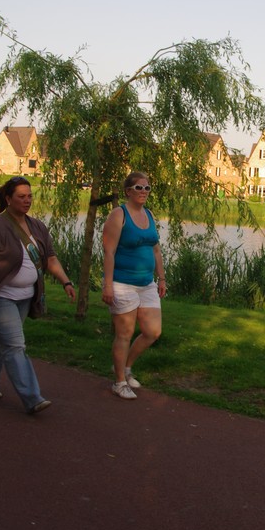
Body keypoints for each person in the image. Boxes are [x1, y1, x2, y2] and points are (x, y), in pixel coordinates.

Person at [0, 176, 76, 414]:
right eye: (21, 197)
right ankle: (32, 397)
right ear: (8, 199)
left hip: (26, 297)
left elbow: (50, 259)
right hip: (0, 297)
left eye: (30, 196)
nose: (27, 201)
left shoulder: (37, 226)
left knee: (1, 340)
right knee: (15, 345)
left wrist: (66, 281)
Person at [101, 171, 166, 399]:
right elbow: (109, 251)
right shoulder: (119, 215)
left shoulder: (149, 214)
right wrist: (108, 285)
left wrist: (161, 277)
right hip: (122, 283)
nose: (144, 191)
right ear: (128, 191)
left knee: (153, 331)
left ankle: (125, 367)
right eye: (139, 187)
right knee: (125, 333)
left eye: (147, 188)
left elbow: (155, 249)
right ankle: (119, 382)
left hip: (147, 283)